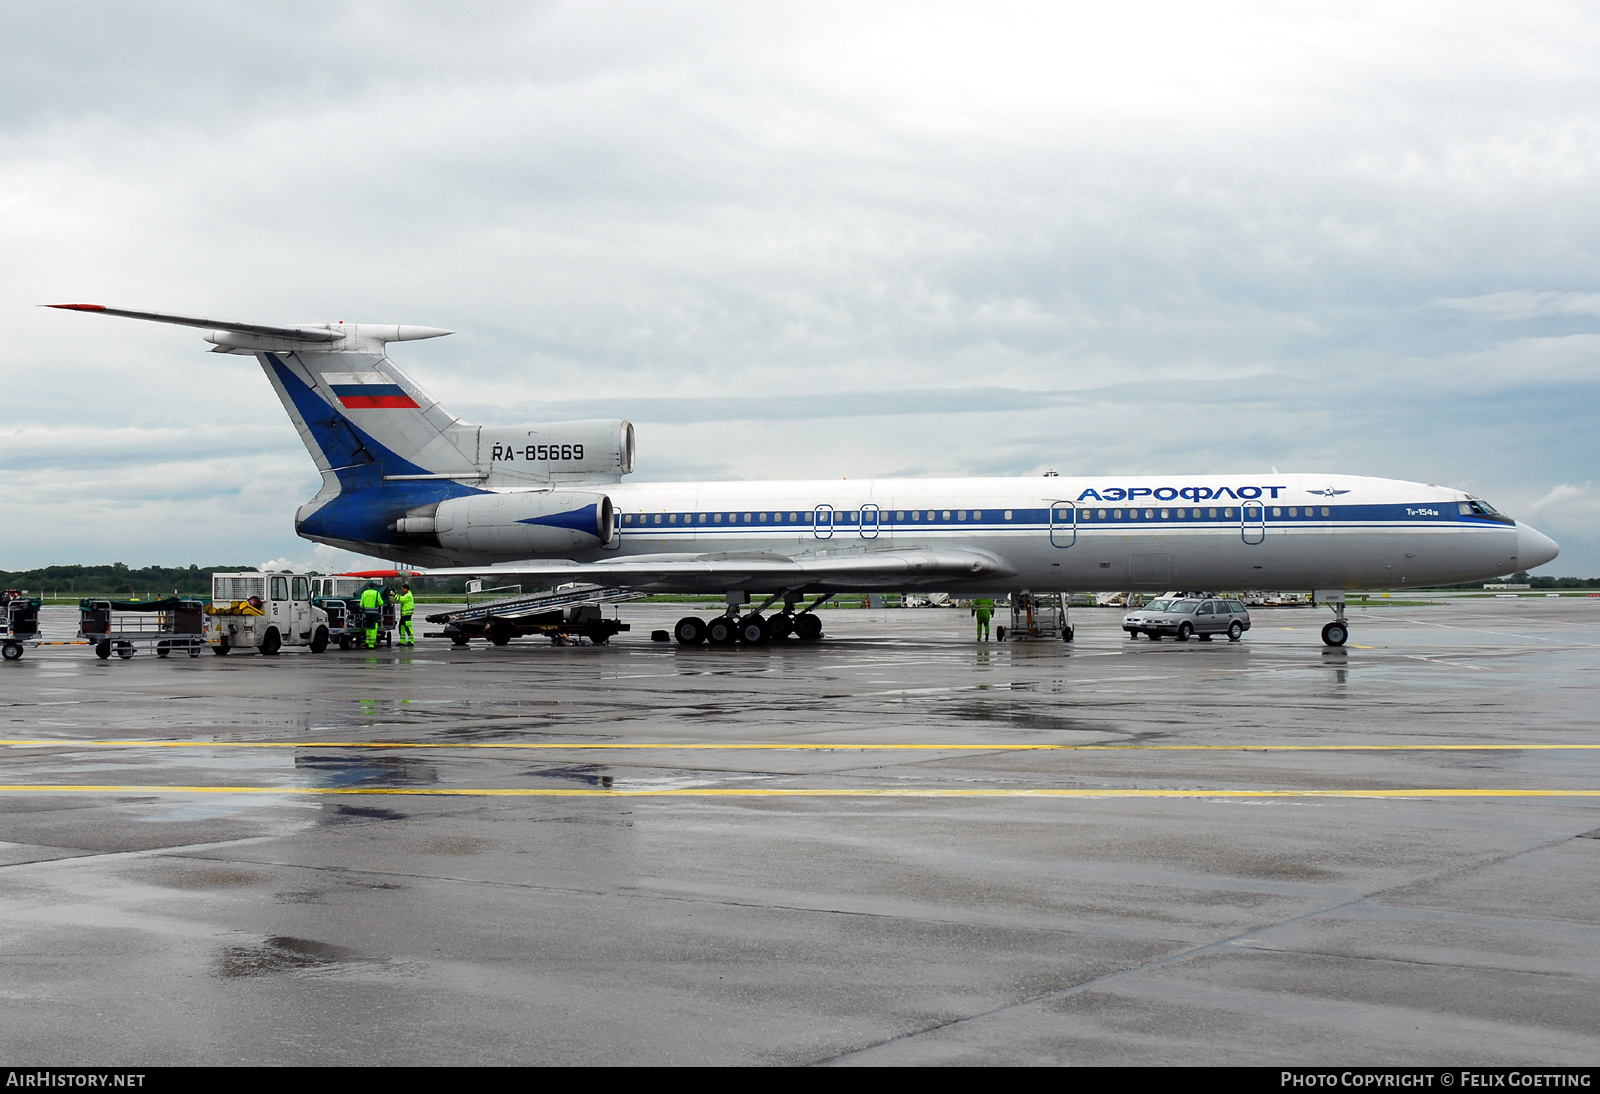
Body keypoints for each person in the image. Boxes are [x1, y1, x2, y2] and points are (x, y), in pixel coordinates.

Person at [359, 581, 382, 649]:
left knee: (368, 627)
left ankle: (367, 641)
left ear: (368, 586)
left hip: (366, 613)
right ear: (374, 586)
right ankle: (371, 644)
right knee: (373, 627)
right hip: (374, 613)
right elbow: (381, 603)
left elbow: (361, 604)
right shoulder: (376, 593)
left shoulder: (364, 593)